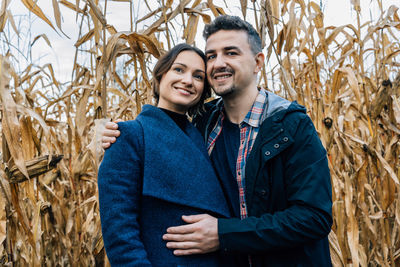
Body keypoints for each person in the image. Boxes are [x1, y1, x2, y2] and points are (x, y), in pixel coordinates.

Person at [101, 15, 333, 266]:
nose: (218, 63)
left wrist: (223, 234)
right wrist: (111, 135)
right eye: (211, 56)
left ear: (258, 62)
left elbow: (314, 217)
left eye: (231, 53)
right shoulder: (203, 126)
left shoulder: (291, 126)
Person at [97, 43, 235, 267]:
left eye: (198, 77)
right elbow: (120, 231)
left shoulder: (207, 137)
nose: (188, 81)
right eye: (179, 70)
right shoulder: (129, 135)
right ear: (160, 76)